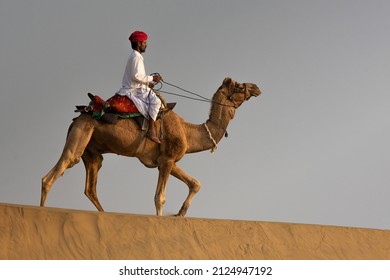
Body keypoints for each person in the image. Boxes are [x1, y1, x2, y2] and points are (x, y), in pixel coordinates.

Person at [116, 30, 163, 144]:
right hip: (134, 90)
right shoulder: (136, 57)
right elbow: (136, 76)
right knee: (156, 102)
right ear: (139, 44)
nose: (146, 44)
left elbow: (137, 77)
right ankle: (151, 130)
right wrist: (153, 78)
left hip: (136, 87)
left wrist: (148, 83)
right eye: (144, 42)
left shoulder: (135, 56)